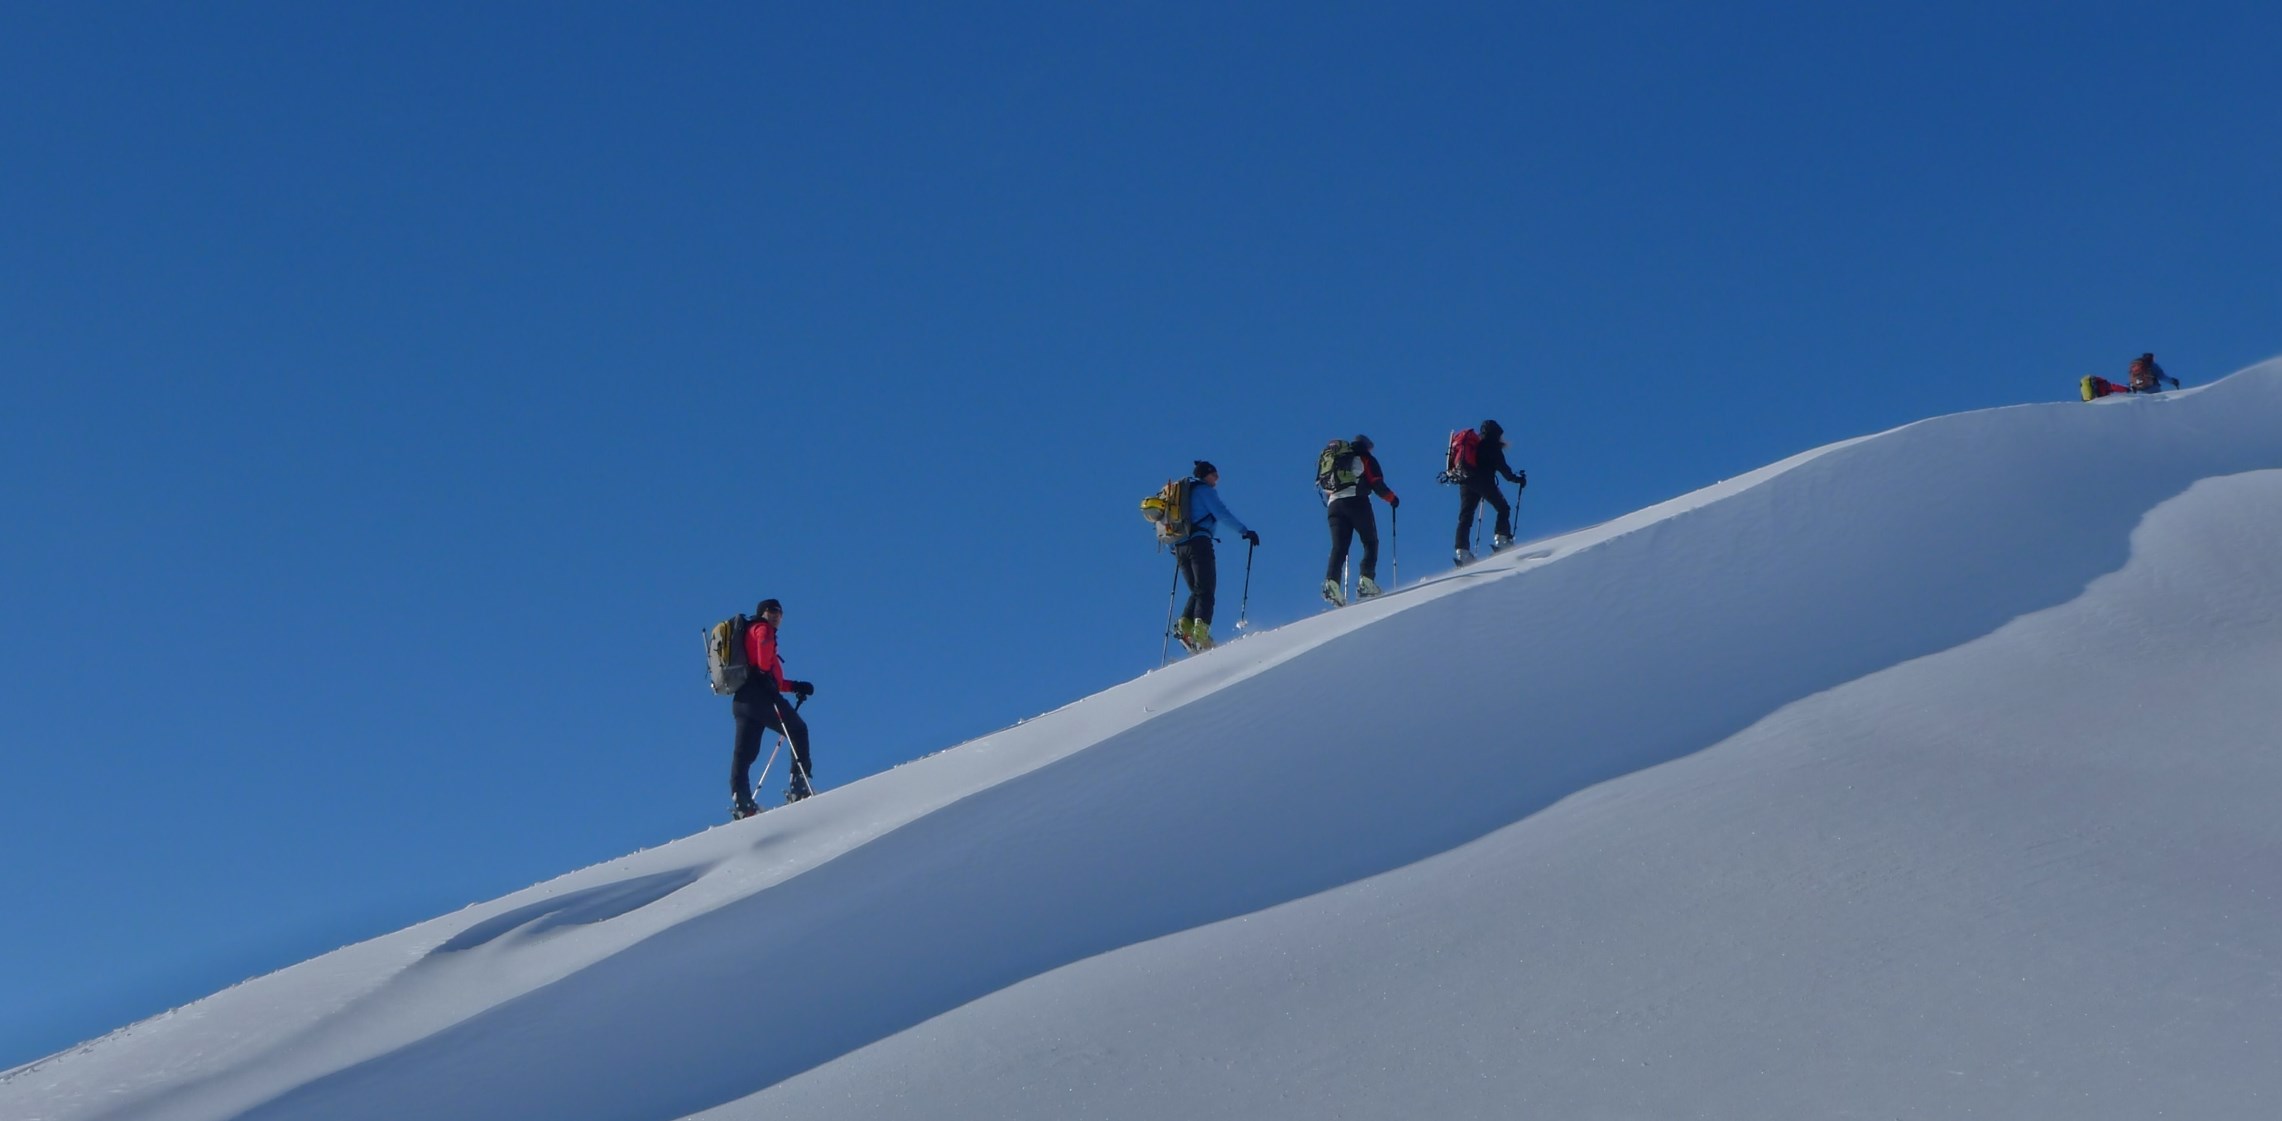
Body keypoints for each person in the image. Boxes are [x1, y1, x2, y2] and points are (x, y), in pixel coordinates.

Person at [729, 598, 816, 818]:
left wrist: (794, 686)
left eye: (780, 612)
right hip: (762, 699)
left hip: (742, 701)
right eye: (772, 611)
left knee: (745, 753)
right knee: (797, 729)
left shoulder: (748, 633)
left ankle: (742, 801)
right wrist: (764, 670)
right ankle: (799, 786)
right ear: (762, 613)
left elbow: (772, 679)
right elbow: (764, 649)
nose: (777, 615)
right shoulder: (762, 629)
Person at [1173, 460, 1258, 653]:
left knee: (1197, 589)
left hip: (1179, 547)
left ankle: (1184, 627)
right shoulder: (1205, 491)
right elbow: (1221, 513)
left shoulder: (1184, 495)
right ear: (1205, 475)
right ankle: (1200, 633)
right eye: (1214, 474)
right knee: (1206, 589)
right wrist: (1244, 531)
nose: (1217, 478)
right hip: (1199, 543)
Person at [1320, 434, 1398, 605]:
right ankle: (1366, 582)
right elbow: (1377, 484)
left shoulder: (1337, 460)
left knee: (1339, 547)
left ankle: (1331, 583)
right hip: (1356, 502)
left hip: (1333, 505)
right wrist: (1392, 499)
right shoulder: (1365, 458)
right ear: (1367, 446)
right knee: (1370, 541)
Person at [1454, 419, 1526, 566]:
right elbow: (1505, 471)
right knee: (1503, 508)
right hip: (1483, 482)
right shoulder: (1492, 447)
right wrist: (1517, 479)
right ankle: (1502, 540)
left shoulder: (1476, 445)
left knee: (1465, 516)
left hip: (1466, 481)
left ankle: (1462, 553)